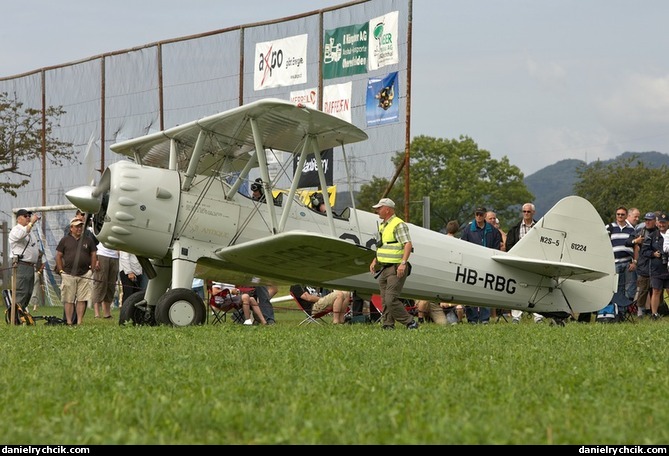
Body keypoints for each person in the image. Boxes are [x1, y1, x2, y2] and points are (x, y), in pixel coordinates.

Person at [368, 198, 417, 330]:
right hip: (384, 267)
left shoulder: (398, 224)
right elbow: (382, 246)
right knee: (384, 299)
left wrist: (403, 263)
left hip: (396, 268)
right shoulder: (383, 225)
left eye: (379, 208)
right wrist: (375, 260)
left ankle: (410, 322)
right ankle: (388, 324)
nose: (377, 210)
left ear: (387, 209)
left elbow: (407, 243)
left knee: (390, 299)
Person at [460, 206, 502, 324]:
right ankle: (472, 318)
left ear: (484, 216)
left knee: (485, 291)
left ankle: (484, 318)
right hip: (471, 265)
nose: (478, 216)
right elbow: (463, 245)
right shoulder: (468, 229)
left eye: (480, 214)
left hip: (487, 265)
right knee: (469, 291)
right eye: (476, 214)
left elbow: (496, 247)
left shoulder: (493, 231)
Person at [505, 203, 544, 324]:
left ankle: (538, 316)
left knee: (537, 287)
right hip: (519, 261)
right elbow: (509, 246)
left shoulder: (540, 228)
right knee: (516, 287)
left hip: (535, 261)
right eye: (524, 211)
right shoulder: (515, 229)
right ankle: (516, 316)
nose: (526, 213)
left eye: (528, 211)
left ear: (533, 213)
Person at [55, 217, 98, 325]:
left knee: (82, 299)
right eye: (77, 226)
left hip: (84, 273)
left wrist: (91, 270)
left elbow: (93, 254)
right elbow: (59, 256)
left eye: (81, 226)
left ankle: (79, 322)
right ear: (71, 228)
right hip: (68, 273)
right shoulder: (64, 240)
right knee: (68, 299)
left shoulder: (88, 240)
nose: (79, 228)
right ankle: (69, 322)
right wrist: (61, 271)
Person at [602, 206, 637, 317]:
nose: (620, 216)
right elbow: (603, 242)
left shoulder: (631, 230)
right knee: (615, 288)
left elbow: (636, 247)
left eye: (622, 214)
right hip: (614, 263)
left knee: (629, 288)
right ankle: (615, 309)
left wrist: (634, 262)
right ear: (616, 215)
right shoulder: (610, 227)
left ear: (626, 216)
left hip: (627, 262)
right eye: (618, 214)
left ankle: (624, 310)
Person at [9, 209, 43, 312]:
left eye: (29, 216)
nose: (28, 217)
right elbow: (21, 235)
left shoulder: (29, 231)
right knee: (21, 292)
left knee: (28, 292)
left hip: (30, 266)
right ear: (19, 219)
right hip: (21, 265)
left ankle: (21, 314)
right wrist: (32, 223)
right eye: (26, 216)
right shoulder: (16, 230)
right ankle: (15, 317)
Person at [643, 212, 669, 320]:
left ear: (668, 223)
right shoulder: (652, 236)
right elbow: (644, 251)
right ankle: (654, 314)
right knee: (656, 290)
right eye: (660, 223)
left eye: (665, 223)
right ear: (657, 223)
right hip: (656, 268)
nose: (662, 225)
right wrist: (653, 254)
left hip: (668, 267)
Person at [632, 212, 657, 318]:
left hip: (656, 264)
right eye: (646, 220)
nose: (647, 222)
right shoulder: (640, 231)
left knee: (656, 289)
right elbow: (629, 242)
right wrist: (635, 241)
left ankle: (654, 310)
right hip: (643, 264)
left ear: (655, 221)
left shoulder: (659, 232)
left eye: (650, 220)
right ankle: (640, 310)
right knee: (643, 289)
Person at [92, 242, 119, 318]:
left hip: (114, 256)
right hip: (102, 254)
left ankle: (107, 313)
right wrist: (96, 259)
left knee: (111, 284)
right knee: (100, 283)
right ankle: (97, 313)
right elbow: (93, 242)